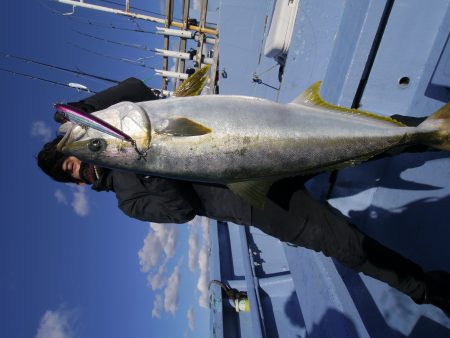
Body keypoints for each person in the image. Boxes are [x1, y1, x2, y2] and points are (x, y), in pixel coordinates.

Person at [37, 78, 450, 318]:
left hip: (261, 141)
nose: (78, 157)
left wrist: (87, 108)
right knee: (344, 244)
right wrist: (135, 158)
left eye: (73, 151)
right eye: (74, 165)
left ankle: (433, 134)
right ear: (78, 183)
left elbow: (136, 89)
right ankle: (427, 290)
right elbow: (179, 212)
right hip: (253, 199)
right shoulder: (127, 202)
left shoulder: (116, 124)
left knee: (340, 135)